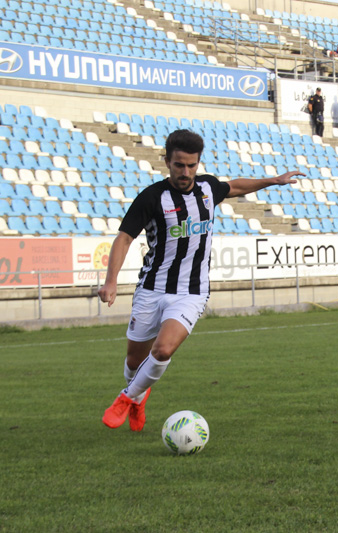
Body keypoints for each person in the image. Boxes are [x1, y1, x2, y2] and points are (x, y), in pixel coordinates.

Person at [99, 129, 303, 431]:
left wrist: (272, 181)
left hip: (191, 292)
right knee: (133, 362)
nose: (186, 172)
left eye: (191, 165)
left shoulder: (207, 188)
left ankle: (125, 399)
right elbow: (124, 237)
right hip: (151, 289)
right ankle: (138, 397)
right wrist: (111, 281)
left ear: (198, 163)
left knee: (163, 350)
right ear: (167, 161)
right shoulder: (152, 197)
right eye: (179, 165)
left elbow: (234, 187)